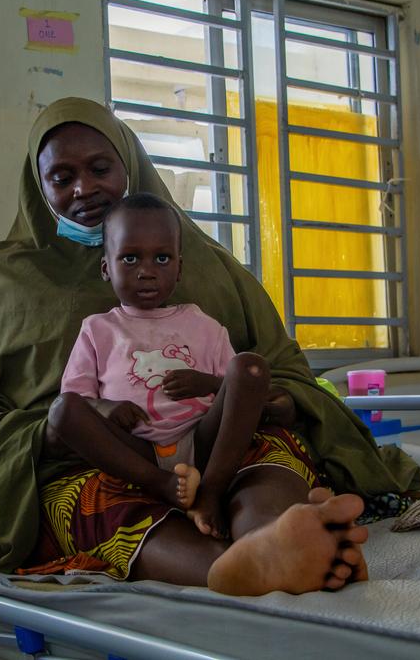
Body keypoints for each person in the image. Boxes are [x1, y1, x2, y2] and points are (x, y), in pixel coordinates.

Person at [0, 97, 420, 596]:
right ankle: (239, 565)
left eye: (100, 169)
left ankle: (278, 532)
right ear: (37, 185)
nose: (84, 189)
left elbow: (280, 365)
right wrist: (44, 435)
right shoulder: (2, 283)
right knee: (97, 503)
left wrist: (264, 402)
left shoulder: (205, 262)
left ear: (128, 165)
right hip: (93, 461)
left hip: (217, 441)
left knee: (267, 455)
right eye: (62, 178)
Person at [56, 192, 292, 539]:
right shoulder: (98, 329)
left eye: (162, 258)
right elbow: (76, 397)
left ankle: (210, 492)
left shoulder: (204, 325)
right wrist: (105, 408)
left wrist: (208, 383)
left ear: (179, 268)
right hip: (136, 449)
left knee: (250, 367)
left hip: (203, 439)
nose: (147, 272)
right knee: (62, 412)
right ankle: (165, 485)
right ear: (107, 268)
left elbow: (241, 392)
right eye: (131, 258)